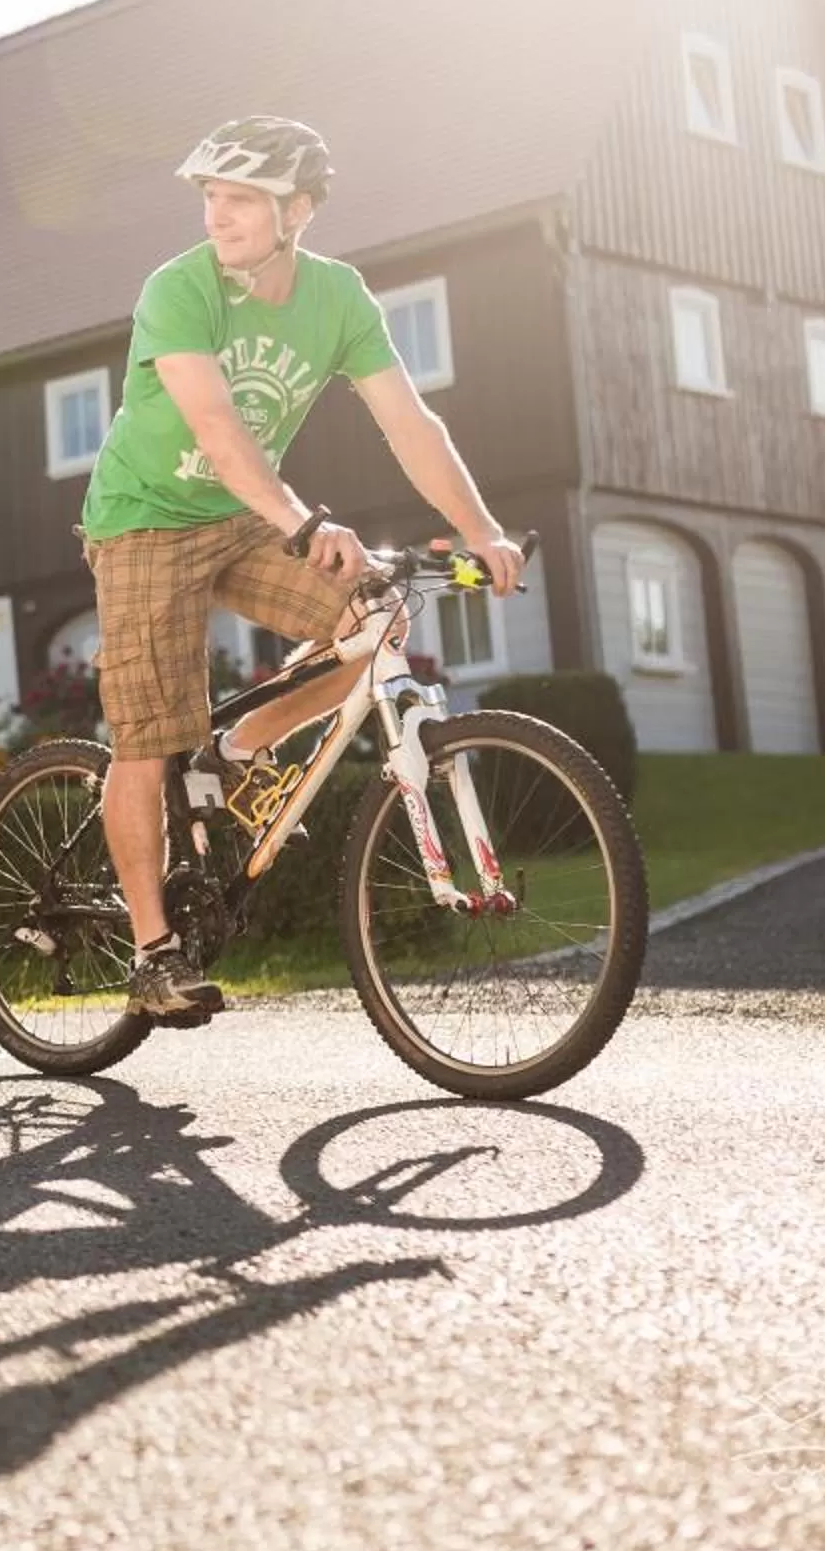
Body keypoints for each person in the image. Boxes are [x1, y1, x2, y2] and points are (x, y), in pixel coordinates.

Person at [77, 116, 526, 1027]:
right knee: (150, 735)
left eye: (240, 198)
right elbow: (215, 426)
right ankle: (154, 952)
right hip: (143, 523)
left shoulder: (339, 297)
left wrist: (479, 527)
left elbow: (409, 423)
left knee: (373, 621)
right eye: (210, 195)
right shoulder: (180, 287)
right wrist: (304, 518)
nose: (218, 215)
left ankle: (242, 748)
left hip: (242, 519)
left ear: (300, 210)